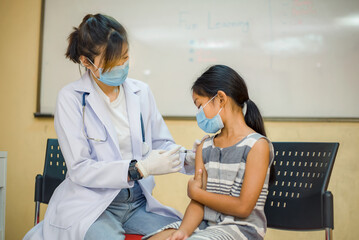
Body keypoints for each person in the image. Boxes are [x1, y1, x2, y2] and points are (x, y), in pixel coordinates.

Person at [24, 13, 197, 240]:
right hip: (91, 204)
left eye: (124, 58)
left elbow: (160, 143)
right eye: (112, 61)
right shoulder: (71, 98)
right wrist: (138, 169)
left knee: (185, 235)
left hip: (137, 202)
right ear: (87, 62)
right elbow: (81, 168)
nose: (121, 66)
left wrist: (185, 157)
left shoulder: (141, 92)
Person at [144, 65, 275, 240]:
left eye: (200, 105)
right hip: (206, 225)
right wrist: (183, 231)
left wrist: (197, 193)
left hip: (241, 230)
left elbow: (244, 207)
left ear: (220, 98)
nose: (199, 114)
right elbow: (198, 204)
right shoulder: (205, 147)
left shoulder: (257, 146)